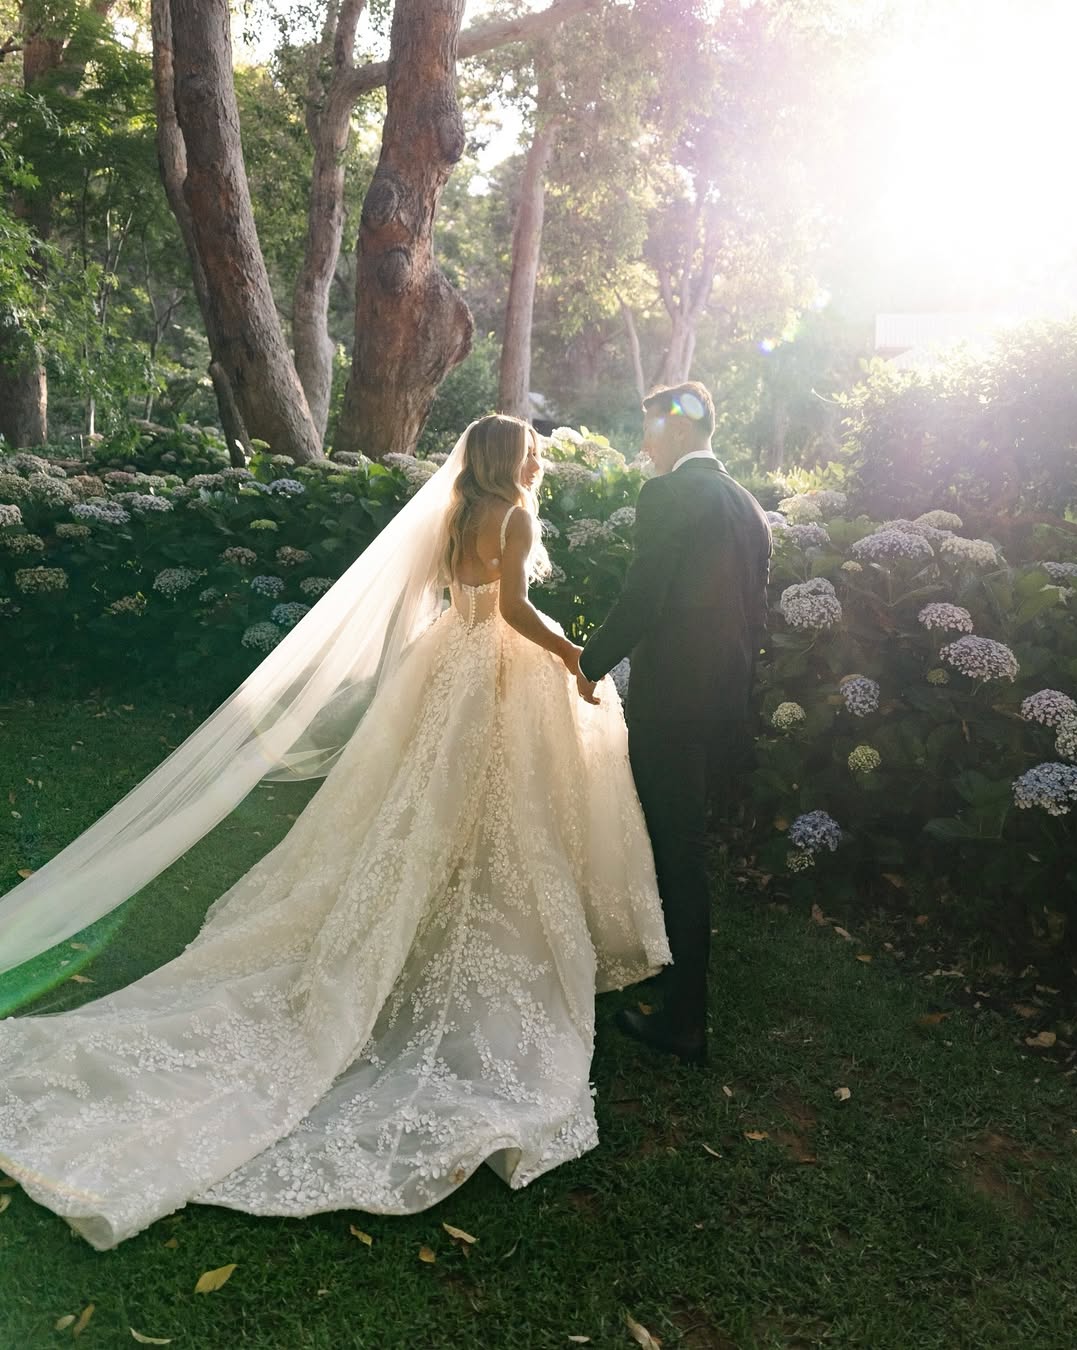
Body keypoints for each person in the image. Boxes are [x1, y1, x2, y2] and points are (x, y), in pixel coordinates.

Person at [0, 415, 670, 1250]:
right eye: (532, 446)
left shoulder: (459, 508)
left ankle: (435, 892)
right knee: (501, 805)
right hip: (495, 667)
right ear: (512, 457)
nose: (540, 457)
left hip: (446, 665)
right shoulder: (515, 513)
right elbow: (514, 608)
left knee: (428, 801)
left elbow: (445, 599)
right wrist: (573, 655)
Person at [578, 382, 772, 1066]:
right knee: (681, 842)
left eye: (651, 431)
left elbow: (643, 595)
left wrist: (589, 662)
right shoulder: (748, 507)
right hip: (723, 705)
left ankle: (684, 1017)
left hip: (673, 704)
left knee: (678, 850)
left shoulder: (669, 496)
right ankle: (666, 970)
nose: (644, 445)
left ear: (682, 430)